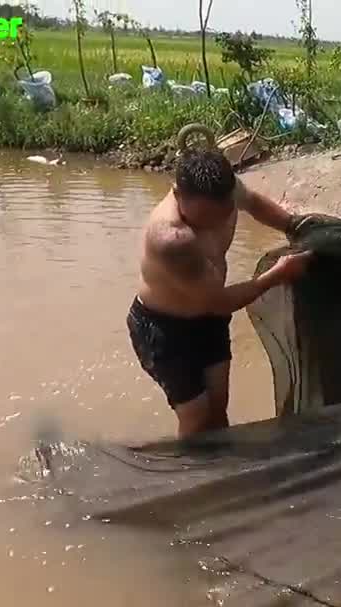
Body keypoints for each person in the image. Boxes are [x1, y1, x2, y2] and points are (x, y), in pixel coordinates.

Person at [128, 150, 313, 438]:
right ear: (178, 195)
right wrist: (277, 275)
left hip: (209, 321)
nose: (214, 224)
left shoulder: (226, 191)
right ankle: (193, 479)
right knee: (197, 419)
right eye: (205, 218)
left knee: (218, 408)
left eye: (222, 213)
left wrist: (293, 226)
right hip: (165, 329)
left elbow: (252, 203)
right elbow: (219, 301)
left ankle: (218, 470)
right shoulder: (173, 240)